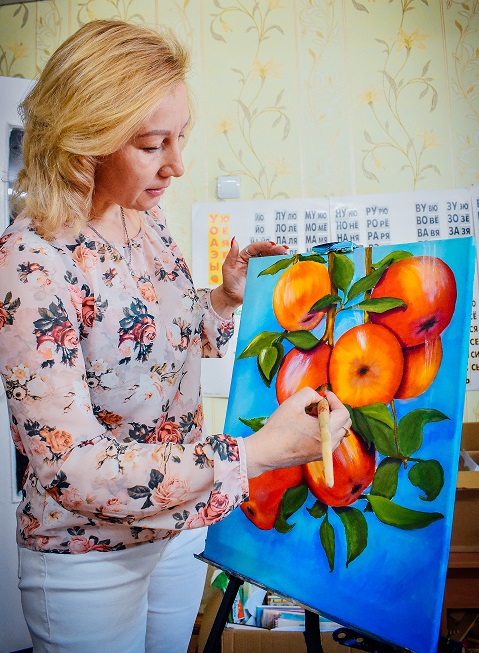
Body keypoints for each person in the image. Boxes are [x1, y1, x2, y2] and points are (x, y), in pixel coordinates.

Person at [0, 19, 352, 653]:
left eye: (181, 136)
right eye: (151, 144)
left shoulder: (145, 215)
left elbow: (154, 347)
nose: (178, 165)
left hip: (181, 525)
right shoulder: (30, 263)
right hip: (89, 553)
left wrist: (223, 298)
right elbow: (72, 467)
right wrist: (254, 453)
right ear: (84, 140)